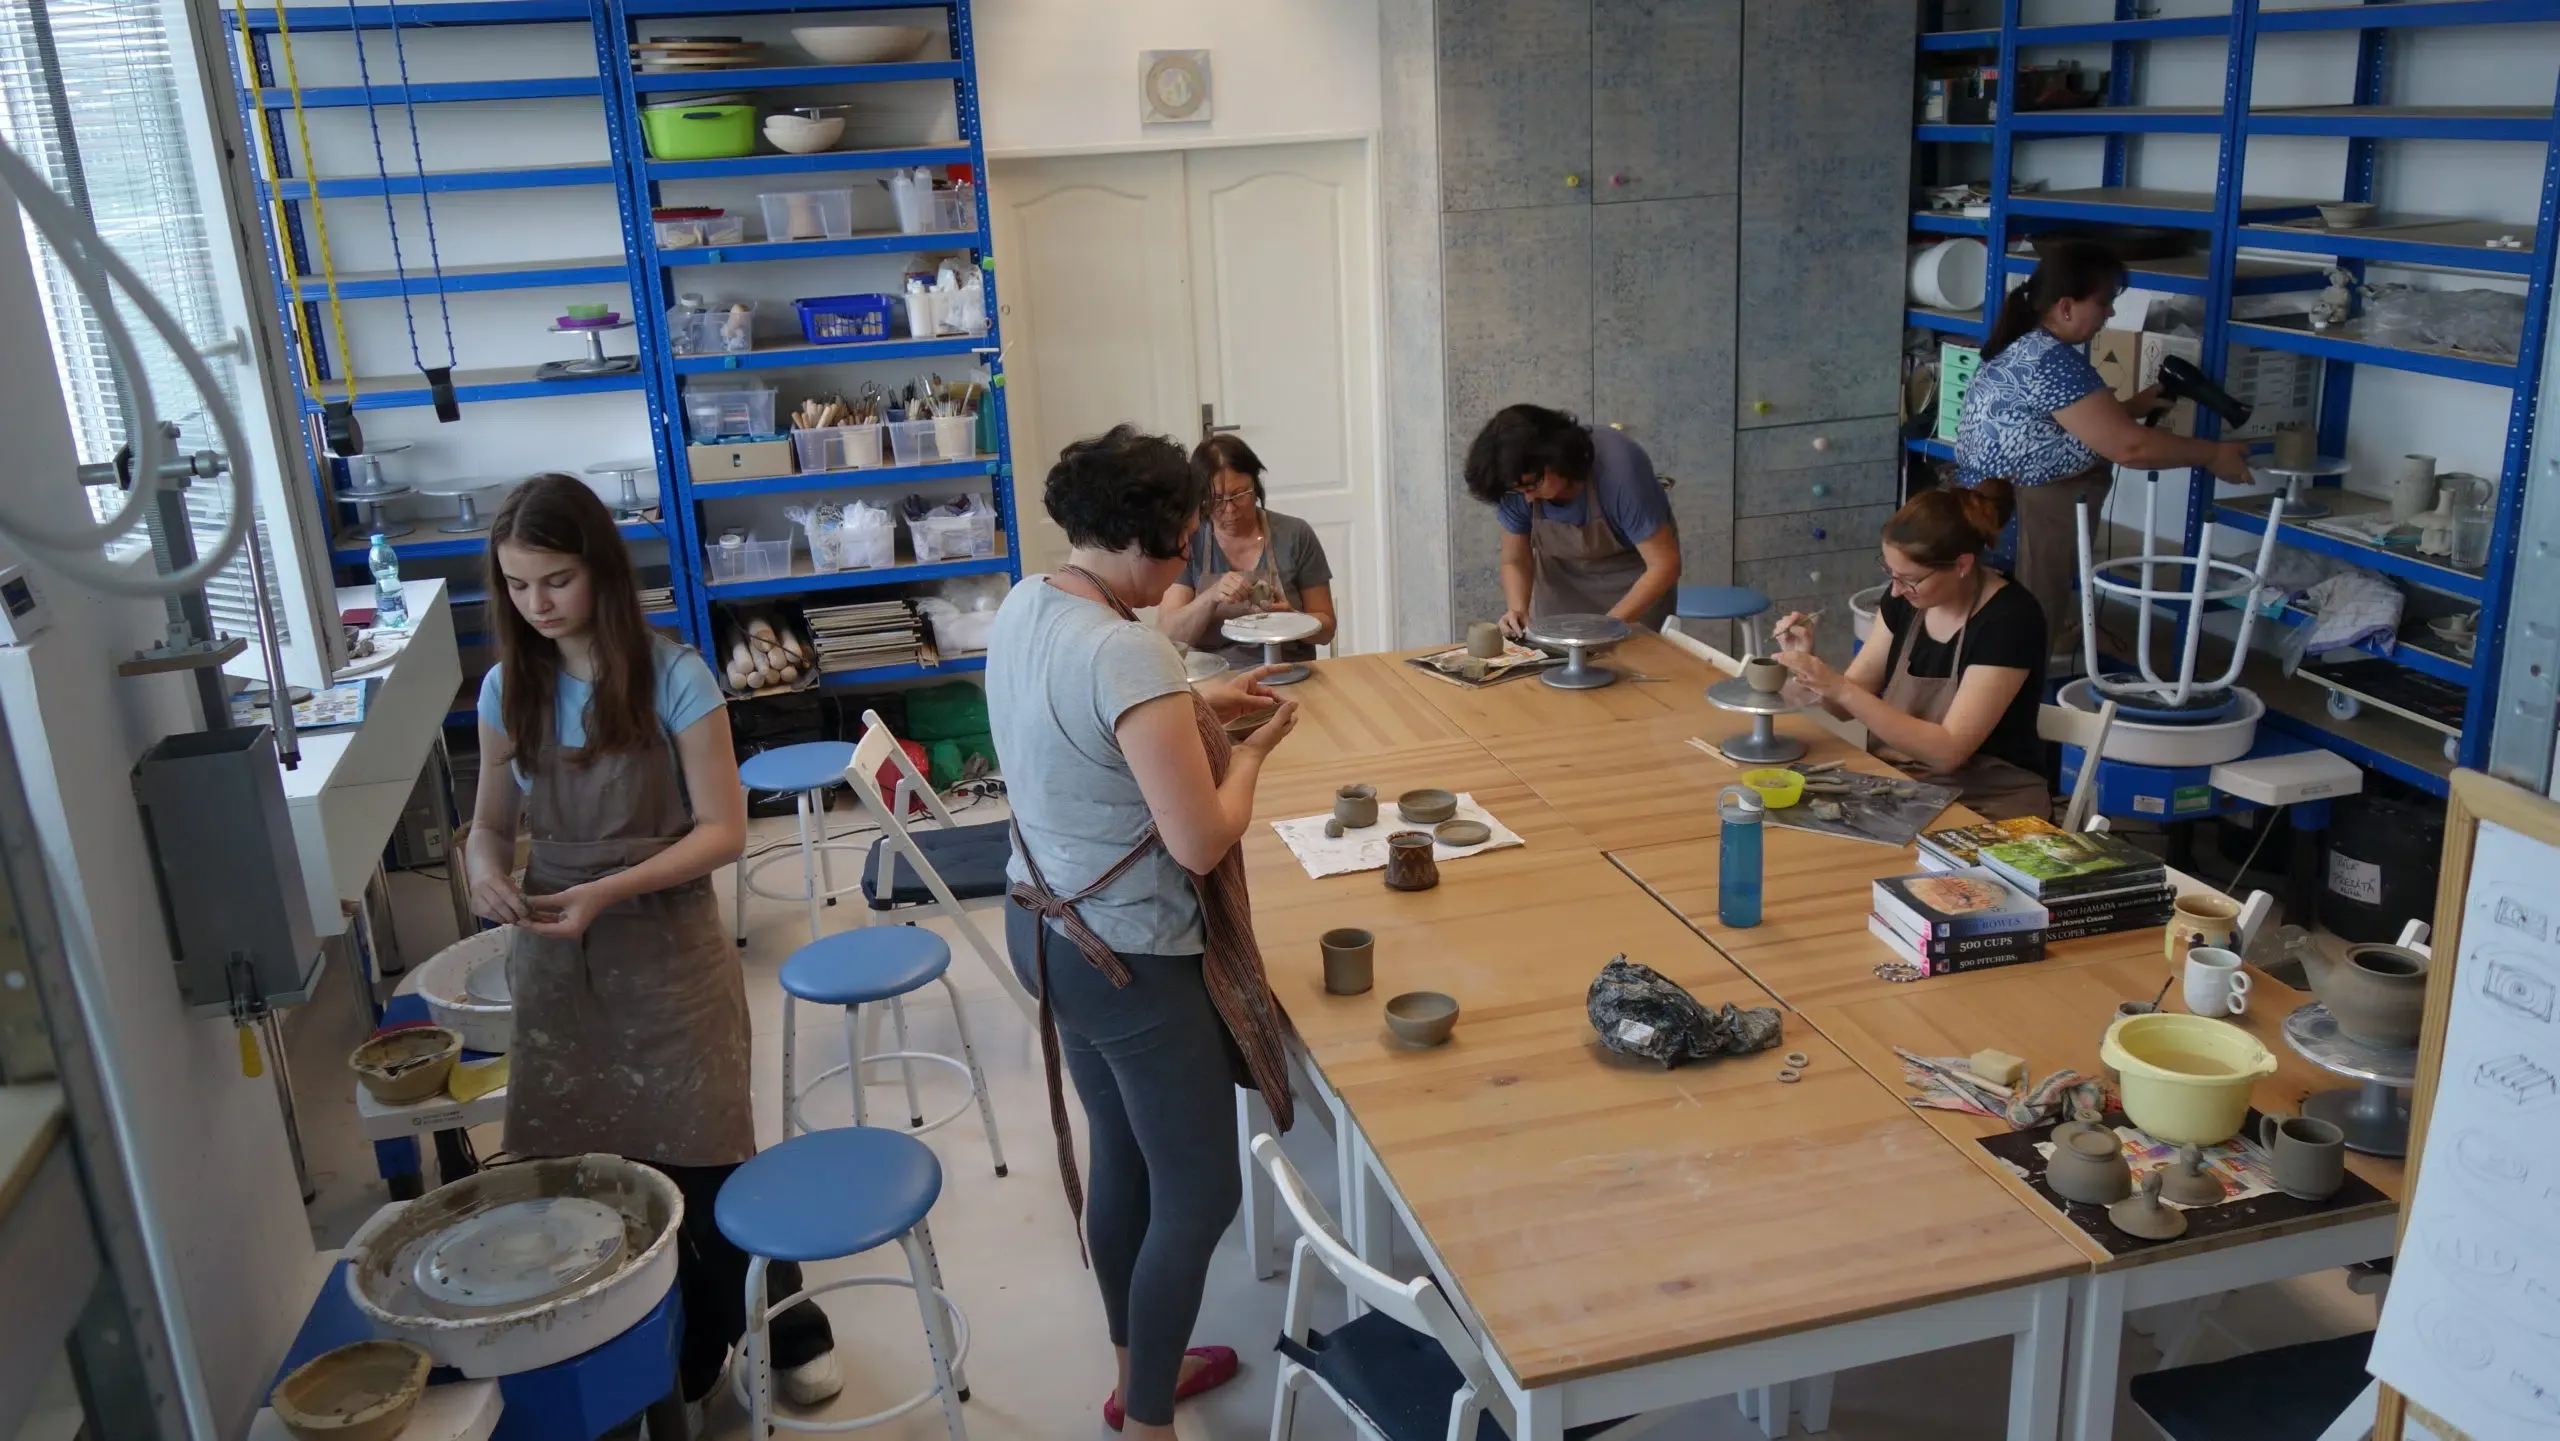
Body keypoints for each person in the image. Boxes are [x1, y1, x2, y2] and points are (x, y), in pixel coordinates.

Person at [462, 475, 840, 1409]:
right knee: (589, 1167)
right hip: (560, 950)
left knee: (704, 1154)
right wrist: (483, 867)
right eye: (517, 585)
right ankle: (668, 1339)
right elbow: (489, 824)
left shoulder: (675, 676)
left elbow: (723, 831)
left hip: (666, 945)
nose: (537, 603)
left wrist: (609, 888)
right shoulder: (508, 688)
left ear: (600, 568)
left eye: (555, 580)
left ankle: (783, 1325)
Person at [989, 425, 1301, 1438]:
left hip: (1042, 927)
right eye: (1182, 540)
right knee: (1201, 1193)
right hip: (1124, 957)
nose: (1187, 560)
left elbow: (1081, 723)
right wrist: (1248, 754)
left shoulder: (1028, 602)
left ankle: (1137, 1371)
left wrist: (1193, 700)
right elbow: (1201, 839)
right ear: (1144, 536)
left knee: (1121, 1151)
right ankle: (1153, 1422)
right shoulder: (1130, 648)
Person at [1954, 238, 2252, 661]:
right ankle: (2016, 690)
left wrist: (2127, 408)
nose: (2110, 313)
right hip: (2028, 510)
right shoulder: (2054, 362)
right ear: (2066, 306)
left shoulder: (2024, 345)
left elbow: (2050, 424)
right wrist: (2213, 454)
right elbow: (2130, 448)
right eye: (2104, 302)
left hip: (1992, 504)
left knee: (1996, 620)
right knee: (2025, 630)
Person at [1769, 479, 2052, 820]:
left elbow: (1948, 751)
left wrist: (1839, 687)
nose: (1896, 590)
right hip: (1906, 786)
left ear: (1962, 565)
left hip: (1990, 799)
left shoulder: (2009, 620)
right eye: (1890, 573)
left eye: (1909, 579)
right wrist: (1808, 667)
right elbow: (1845, 707)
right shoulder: (1905, 601)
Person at [1462, 403, 1681, 633]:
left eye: (1531, 487)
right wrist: (1517, 610)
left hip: (1634, 589)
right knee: (1556, 652)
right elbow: (1515, 559)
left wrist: (1604, 628)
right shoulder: (1515, 482)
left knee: (1629, 653)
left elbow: (1663, 565)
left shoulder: (1619, 470)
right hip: (1561, 588)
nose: (1527, 499)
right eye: (1518, 491)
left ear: (1556, 459)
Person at [1155, 434, 1336, 667]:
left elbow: (1327, 631)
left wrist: (1291, 619)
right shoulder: (1189, 540)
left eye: (1239, 495)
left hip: (1286, 670)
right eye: (1216, 500)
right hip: (1216, 675)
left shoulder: (1295, 534)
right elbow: (1169, 636)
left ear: (1256, 486)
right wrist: (1210, 598)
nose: (1230, 509)